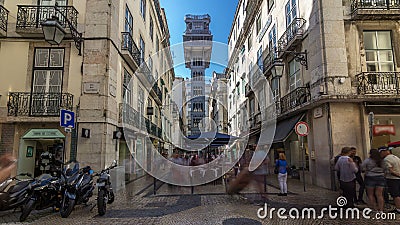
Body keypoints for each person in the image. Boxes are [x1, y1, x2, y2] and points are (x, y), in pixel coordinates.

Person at [379, 146, 400, 214]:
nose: (380, 154)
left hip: (393, 179)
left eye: (381, 153)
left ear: (384, 151)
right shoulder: (396, 157)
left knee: (395, 195)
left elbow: (391, 171)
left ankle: (398, 209)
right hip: (398, 179)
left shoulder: (386, 159)